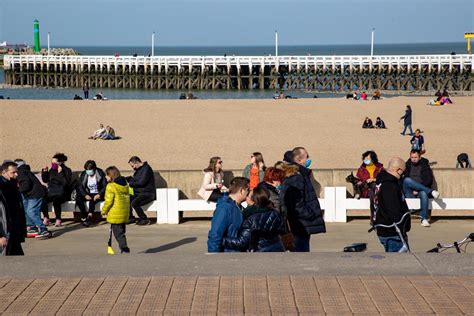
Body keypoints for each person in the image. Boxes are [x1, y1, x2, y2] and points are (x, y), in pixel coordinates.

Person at [280, 147, 326, 252]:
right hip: (300, 224)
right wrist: (310, 214)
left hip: (301, 223)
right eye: (307, 157)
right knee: (301, 252)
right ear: (299, 160)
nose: (308, 159)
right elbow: (295, 202)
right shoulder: (296, 176)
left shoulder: (301, 173)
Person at [223, 187, 285, 252]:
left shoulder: (250, 218)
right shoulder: (275, 213)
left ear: (252, 200)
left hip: (260, 253)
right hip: (278, 249)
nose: (245, 197)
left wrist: (222, 239)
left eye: (247, 196)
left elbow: (242, 242)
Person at [371, 157, 411, 252]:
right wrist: (402, 227)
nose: (403, 175)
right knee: (399, 264)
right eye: (403, 172)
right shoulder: (389, 186)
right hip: (392, 233)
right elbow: (393, 210)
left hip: (385, 229)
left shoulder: (381, 183)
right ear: (399, 170)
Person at [207, 177, 250, 252]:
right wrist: (213, 258)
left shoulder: (238, 207)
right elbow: (215, 235)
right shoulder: (224, 208)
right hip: (227, 256)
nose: (248, 193)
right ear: (241, 190)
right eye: (247, 190)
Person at [14, 159, 51, 238]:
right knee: (26, 210)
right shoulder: (24, 171)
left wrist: (18, 190)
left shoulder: (21, 172)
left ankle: (43, 229)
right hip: (29, 194)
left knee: (31, 211)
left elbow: (26, 184)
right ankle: (32, 227)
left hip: (35, 194)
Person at [403, 150, 440, 227]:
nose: (413, 159)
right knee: (407, 180)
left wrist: (418, 189)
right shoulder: (407, 165)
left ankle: (424, 219)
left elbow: (429, 180)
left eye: (416, 157)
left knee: (423, 193)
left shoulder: (424, 165)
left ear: (420, 157)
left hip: (420, 191)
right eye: (412, 157)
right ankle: (431, 191)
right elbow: (402, 181)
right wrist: (413, 189)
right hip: (409, 192)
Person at [101, 166, 130, 254]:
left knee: (118, 233)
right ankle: (123, 247)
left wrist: (104, 211)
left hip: (115, 213)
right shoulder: (125, 184)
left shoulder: (111, 186)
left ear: (111, 175)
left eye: (107, 175)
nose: (106, 177)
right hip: (124, 212)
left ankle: (124, 248)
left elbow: (108, 201)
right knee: (122, 231)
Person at [0, 162, 26, 255]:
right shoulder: (2, 187)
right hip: (5, 230)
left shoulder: (13, 184)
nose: (16, 174)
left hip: (14, 228)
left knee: (18, 259)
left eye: (16, 172)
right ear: (4, 172)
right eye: (13, 172)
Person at [41, 153, 73, 227]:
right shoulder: (52, 170)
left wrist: (60, 173)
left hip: (63, 193)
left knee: (56, 201)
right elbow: (45, 180)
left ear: (60, 162)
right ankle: (46, 217)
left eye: (55, 163)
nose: (53, 164)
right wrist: (45, 172)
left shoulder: (67, 170)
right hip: (52, 192)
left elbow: (65, 183)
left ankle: (58, 219)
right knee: (42, 199)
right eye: (52, 163)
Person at [76, 160, 107, 227]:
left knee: (92, 201)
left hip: (97, 193)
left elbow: (104, 186)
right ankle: (84, 215)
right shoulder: (84, 174)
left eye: (90, 169)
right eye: (87, 169)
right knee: (78, 198)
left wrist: (99, 194)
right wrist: (85, 195)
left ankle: (89, 217)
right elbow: (80, 186)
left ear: (94, 168)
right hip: (88, 193)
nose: (88, 171)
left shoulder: (100, 173)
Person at [127, 156, 155, 225]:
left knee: (134, 203)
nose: (133, 168)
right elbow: (136, 180)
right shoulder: (139, 170)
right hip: (139, 193)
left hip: (147, 194)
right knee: (127, 199)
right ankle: (131, 218)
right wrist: (129, 179)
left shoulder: (146, 169)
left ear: (136, 162)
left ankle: (144, 219)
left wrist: (130, 183)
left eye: (133, 166)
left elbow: (141, 182)